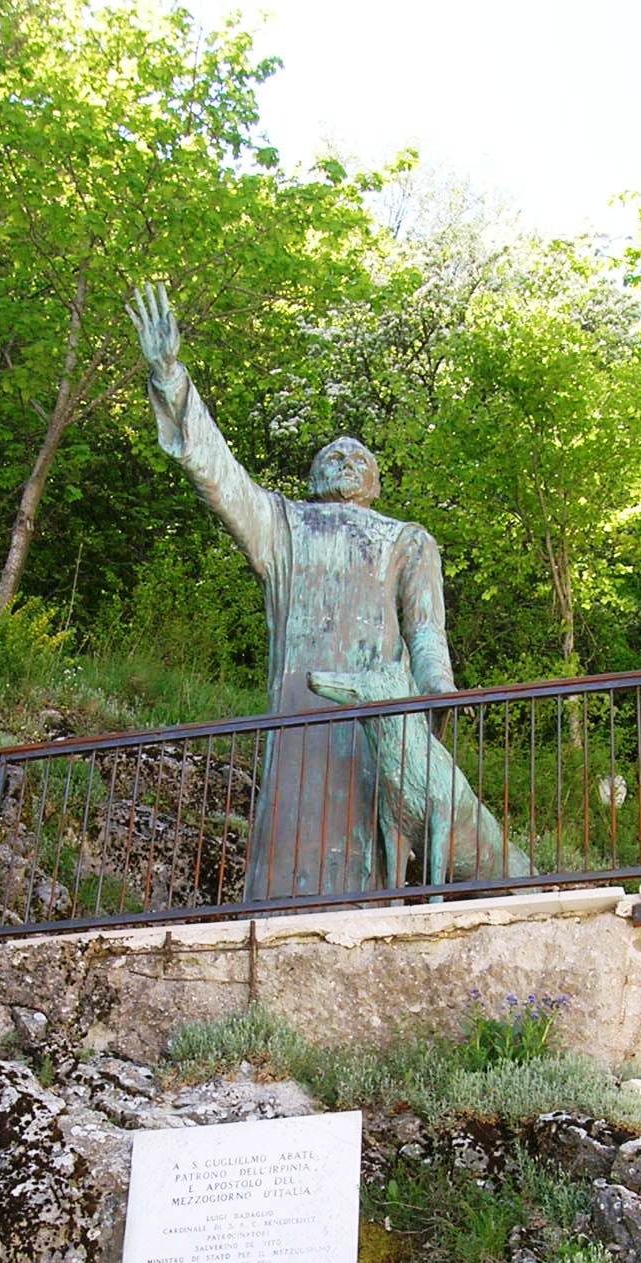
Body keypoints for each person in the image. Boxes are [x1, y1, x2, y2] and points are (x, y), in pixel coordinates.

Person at [127, 282, 458, 900]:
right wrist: (170, 377)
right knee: (288, 838)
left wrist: (437, 694)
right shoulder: (284, 525)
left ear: (375, 484)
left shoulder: (407, 539)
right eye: (332, 455)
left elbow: (425, 632)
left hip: (374, 721)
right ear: (311, 476)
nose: (345, 461)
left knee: (369, 843)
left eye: (358, 458)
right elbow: (221, 477)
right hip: (298, 716)